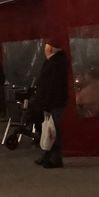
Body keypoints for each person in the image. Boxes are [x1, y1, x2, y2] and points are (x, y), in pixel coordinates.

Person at [32, 39, 70, 168]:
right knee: (50, 129)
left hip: (53, 102)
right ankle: (48, 155)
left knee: (53, 131)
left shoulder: (54, 64)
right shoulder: (57, 63)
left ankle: (54, 158)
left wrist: (46, 103)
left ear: (50, 49)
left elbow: (51, 86)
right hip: (54, 101)